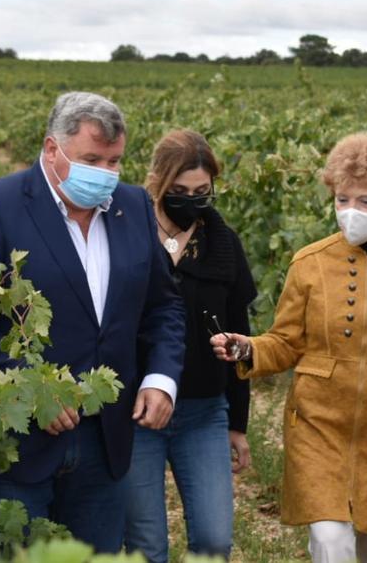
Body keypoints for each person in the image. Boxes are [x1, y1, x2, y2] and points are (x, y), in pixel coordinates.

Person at [0, 92, 187, 553]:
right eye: (92, 159)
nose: (106, 173)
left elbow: (163, 306)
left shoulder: (133, 207)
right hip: (18, 444)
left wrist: (161, 377)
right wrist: (29, 391)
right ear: (53, 150)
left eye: (115, 161)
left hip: (105, 438)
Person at [211, 132, 367, 563]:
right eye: (342, 199)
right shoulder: (309, 262)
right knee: (331, 542)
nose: (350, 212)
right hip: (319, 422)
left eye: (364, 201)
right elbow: (287, 342)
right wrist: (247, 349)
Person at [124, 130, 257, 561]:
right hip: (137, 412)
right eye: (179, 192)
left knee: (215, 542)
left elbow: (241, 337)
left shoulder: (223, 245)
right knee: (146, 546)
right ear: (157, 184)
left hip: (204, 410)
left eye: (202, 192)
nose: (192, 201)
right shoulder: (128, 235)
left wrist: (238, 424)